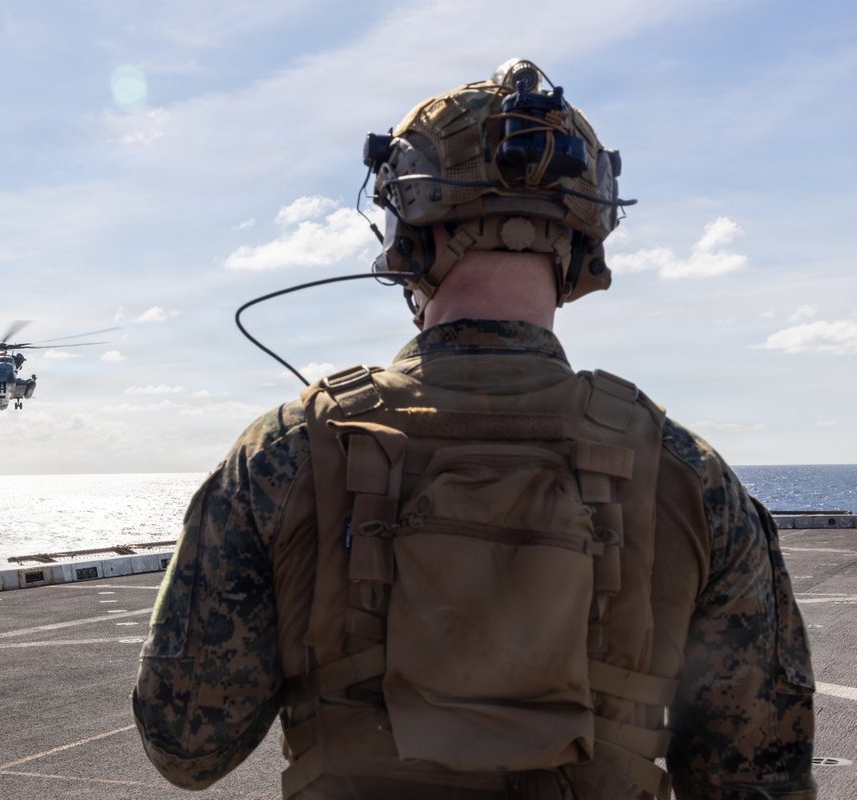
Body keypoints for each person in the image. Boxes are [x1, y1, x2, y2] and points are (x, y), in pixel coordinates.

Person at [133, 59, 816, 799]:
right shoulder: (691, 475)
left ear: (407, 231)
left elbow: (188, 745)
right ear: (584, 246)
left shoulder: (285, 451)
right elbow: (760, 778)